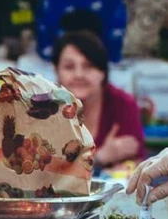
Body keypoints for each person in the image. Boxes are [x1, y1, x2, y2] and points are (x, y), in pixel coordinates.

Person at [53, 30, 146, 168]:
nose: (79, 75)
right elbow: (45, 170)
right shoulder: (45, 108)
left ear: (103, 72)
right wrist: (100, 157)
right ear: (56, 71)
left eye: (88, 66)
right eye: (69, 67)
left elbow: (138, 165)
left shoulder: (123, 105)